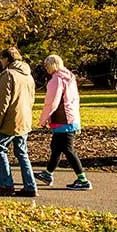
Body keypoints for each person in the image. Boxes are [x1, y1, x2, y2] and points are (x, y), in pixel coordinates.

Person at [35, 54, 92, 190]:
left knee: (68, 150)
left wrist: (43, 119)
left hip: (63, 119)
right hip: (71, 118)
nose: (45, 68)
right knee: (56, 147)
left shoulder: (56, 80)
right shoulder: (69, 78)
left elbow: (51, 102)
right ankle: (48, 174)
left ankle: (83, 180)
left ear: (52, 65)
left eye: (46, 65)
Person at [0, 46, 37, 197]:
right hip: (24, 118)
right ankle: (30, 185)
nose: (0, 62)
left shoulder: (8, 75)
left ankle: (6, 185)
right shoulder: (28, 75)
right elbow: (32, 98)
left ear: (6, 59)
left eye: (1, 59)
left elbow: (2, 102)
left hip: (10, 119)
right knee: (22, 152)